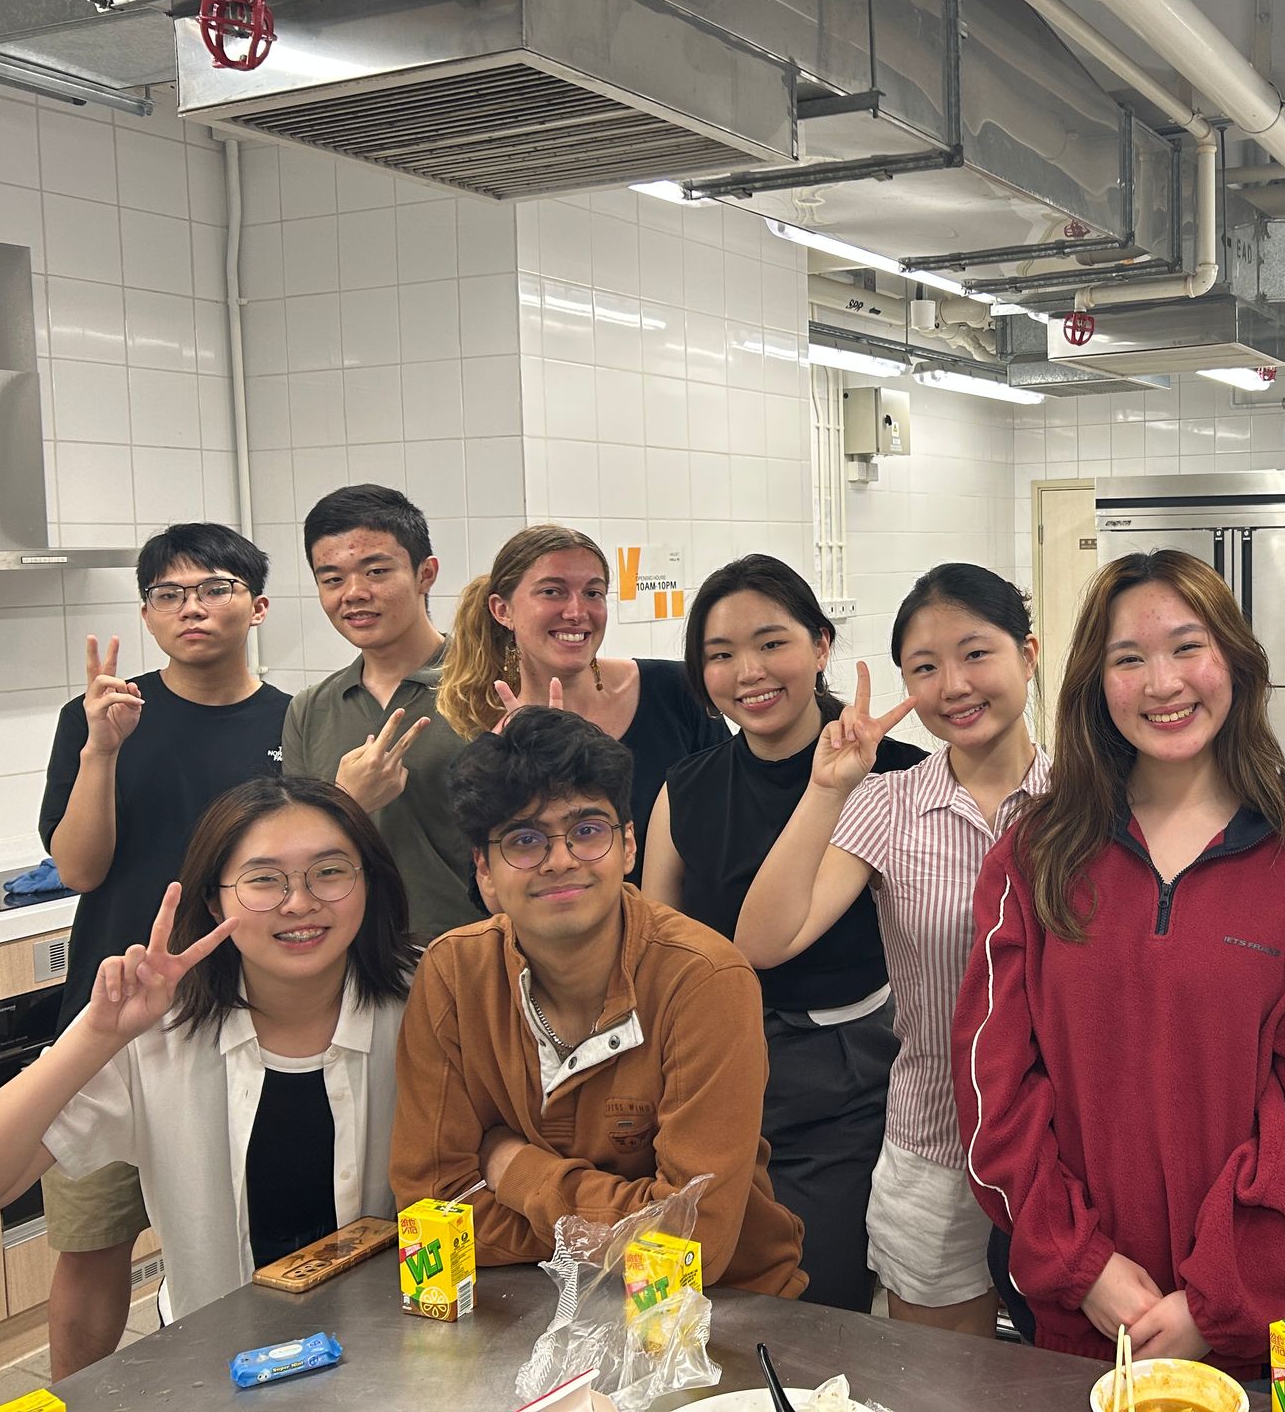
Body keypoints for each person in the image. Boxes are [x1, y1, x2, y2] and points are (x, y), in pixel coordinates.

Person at [954, 549, 1285, 1375]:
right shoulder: (1034, 857)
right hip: (1076, 1320)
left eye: (1187, 647)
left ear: (1235, 664)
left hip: (1261, 1324)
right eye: (1129, 659)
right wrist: (1083, 1265)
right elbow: (991, 1083)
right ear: (1095, 683)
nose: (1162, 684)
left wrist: (1217, 1297)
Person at [0, 778, 416, 1322]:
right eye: (263, 879)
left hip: (388, 1334)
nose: (300, 902)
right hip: (212, 1350)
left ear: (369, 883)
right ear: (212, 901)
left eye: (329, 872)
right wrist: (96, 1038)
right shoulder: (159, 1028)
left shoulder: (425, 1003)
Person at [390, 707, 806, 1295]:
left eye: (587, 830)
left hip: (718, 1309)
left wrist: (514, 1168)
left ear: (628, 845)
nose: (561, 860)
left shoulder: (705, 978)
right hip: (519, 1302)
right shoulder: (453, 972)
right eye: (524, 840)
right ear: (484, 871)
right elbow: (431, 1211)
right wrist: (620, 1229)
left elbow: (692, 1245)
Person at [737, 563, 1048, 1336]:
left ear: (1028, 654)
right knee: (940, 1378)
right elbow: (765, 941)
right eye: (925, 667)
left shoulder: (1087, 798)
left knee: (1073, 1372)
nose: (954, 685)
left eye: (976, 654)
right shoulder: (889, 803)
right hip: (934, 1140)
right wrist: (828, 787)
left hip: (1066, 1146)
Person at [36, 522, 289, 1377]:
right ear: (146, 614)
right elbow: (79, 868)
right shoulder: (100, 715)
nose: (192, 608)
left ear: (257, 605)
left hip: (246, 1020)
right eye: (168, 594)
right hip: (111, 1022)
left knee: (241, 1234)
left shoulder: (294, 723)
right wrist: (101, 751)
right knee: (92, 1243)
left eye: (215, 588)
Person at [643, 555, 922, 1312]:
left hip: (845, 1071)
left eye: (772, 643)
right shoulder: (687, 787)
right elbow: (654, 949)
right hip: (709, 1066)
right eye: (720, 654)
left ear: (821, 645)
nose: (749, 672)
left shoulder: (895, 774)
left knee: (813, 1294)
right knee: (704, 1292)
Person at [433, 525, 724, 882]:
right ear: (502, 610)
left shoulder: (675, 691)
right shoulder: (492, 748)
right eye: (552, 591)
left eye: (593, 593)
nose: (576, 611)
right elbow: (491, 892)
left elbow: (733, 814)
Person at [285, 484, 479, 939]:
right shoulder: (309, 709)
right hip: (349, 955)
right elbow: (294, 853)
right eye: (332, 579)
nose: (354, 593)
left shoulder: (485, 687)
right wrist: (347, 801)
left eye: (376, 572)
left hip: (474, 952)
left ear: (425, 574)